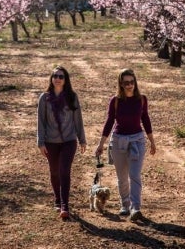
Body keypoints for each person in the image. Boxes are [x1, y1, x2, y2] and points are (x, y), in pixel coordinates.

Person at [95, 68, 156, 221]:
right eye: (126, 82)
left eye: (131, 82)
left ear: (135, 82)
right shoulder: (115, 101)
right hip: (118, 140)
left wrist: (152, 141)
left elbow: (146, 119)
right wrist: (101, 144)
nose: (129, 85)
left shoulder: (142, 99)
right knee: (122, 177)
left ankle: (135, 207)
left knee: (134, 175)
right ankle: (125, 205)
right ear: (121, 84)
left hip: (137, 140)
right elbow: (109, 122)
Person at [37, 66, 87, 220]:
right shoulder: (44, 98)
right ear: (51, 79)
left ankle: (65, 205)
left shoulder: (72, 96)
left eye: (61, 76)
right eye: (55, 76)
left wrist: (82, 139)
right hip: (51, 141)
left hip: (69, 140)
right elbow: (41, 121)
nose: (58, 79)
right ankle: (57, 200)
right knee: (54, 171)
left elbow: (78, 119)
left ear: (66, 80)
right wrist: (41, 141)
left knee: (64, 170)